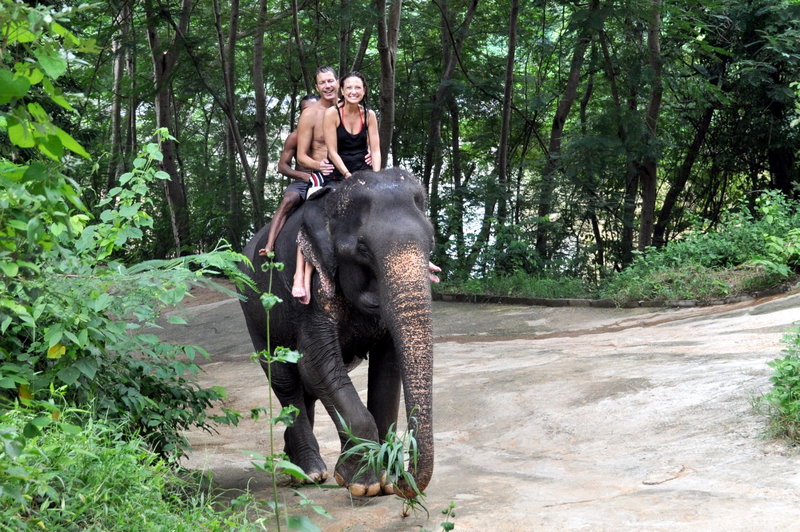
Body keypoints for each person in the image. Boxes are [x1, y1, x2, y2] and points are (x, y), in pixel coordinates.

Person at [258, 94, 319, 257]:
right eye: (307, 110)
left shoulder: (331, 132)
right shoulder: (295, 136)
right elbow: (282, 166)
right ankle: (269, 246)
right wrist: (303, 176)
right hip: (303, 181)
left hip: (325, 179)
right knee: (288, 201)